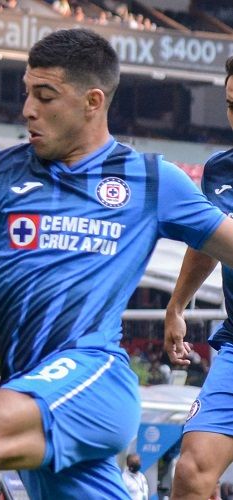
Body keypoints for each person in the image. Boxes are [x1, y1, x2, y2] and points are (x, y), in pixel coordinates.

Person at [0, 28, 233, 499]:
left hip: (94, 378)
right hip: (30, 388)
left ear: (93, 101)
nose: (27, 109)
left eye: (45, 95)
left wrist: (179, 305)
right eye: (26, 92)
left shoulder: (151, 179)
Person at [164, 56, 233, 500]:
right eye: (231, 104)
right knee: (190, 473)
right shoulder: (221, 170)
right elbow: (208, 238)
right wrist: (177, 305)